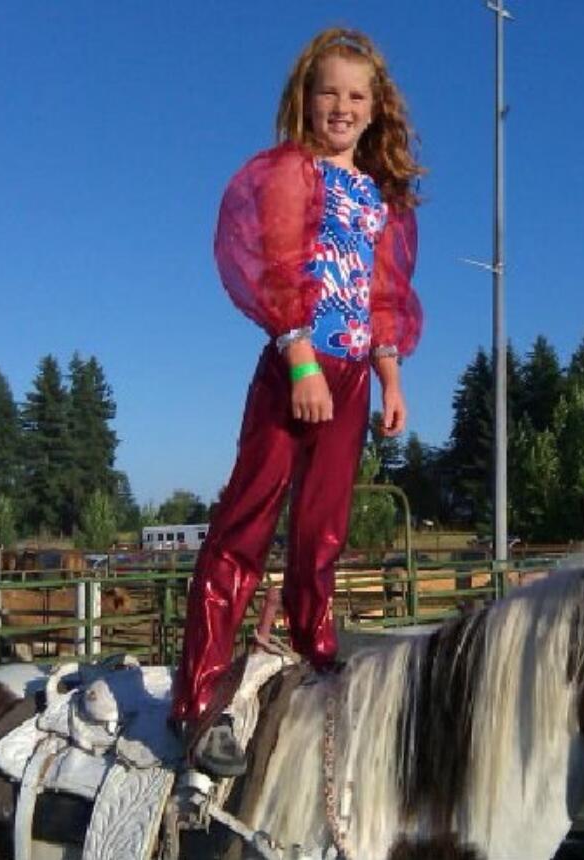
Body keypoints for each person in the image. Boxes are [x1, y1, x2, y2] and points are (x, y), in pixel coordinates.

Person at [170, 27, 425, 777]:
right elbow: (281, 271)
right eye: (329, 93)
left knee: (323, 530)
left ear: (376, 108)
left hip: (351, 372)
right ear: (305, 100)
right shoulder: (293, 174)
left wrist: (391, 378)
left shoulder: (380, 199)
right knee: (246, 522)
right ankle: (199, 699)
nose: (341, 107)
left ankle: (317, 659)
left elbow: (382, 297)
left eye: (356, 95)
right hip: (296, 365)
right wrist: (301, 360)